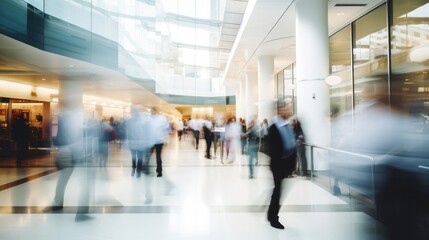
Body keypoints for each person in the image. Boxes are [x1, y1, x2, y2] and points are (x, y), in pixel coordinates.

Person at [267, 99, 297, 229]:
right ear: (280, 110)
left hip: (285, 165)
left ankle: (271, 214)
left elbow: (291, 144)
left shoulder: (287, 125)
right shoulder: (274, 127)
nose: (289, 110)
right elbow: (274, 149)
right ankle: (273, 218)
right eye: (286, 108)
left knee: (277, 190)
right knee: (278, 190)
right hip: (278, 165)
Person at [149, 107, 170, 177]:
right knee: (157, 156)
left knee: (152, 155)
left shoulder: (149, 119)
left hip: (154, 140)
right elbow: (166, 129)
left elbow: (166, 129)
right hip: (158, 140)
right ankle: (159, 171)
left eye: (152, 111)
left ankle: (154, 170)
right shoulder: (162, 118)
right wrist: (166, 139)